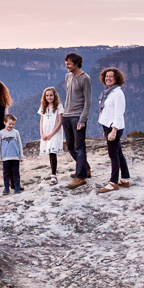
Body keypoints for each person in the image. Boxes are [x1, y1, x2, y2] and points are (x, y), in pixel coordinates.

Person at [97, 67, 131, 193]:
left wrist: (113, 130)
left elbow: (119, 114)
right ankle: (125, 179)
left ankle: (113, 182)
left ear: (117, 78)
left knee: (113, 155)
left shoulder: (118, 94)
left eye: (111, 76)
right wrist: (105, 129)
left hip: (114, 126)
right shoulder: (108, 92)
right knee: (118, 152)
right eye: (106, 76)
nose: (108, 78)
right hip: (108, 126)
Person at [62, 52, 93, 189]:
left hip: (77, 117)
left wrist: (82, 119)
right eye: (66, 63)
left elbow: (88, 101)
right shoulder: (68, 77)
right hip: (67, 116)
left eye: (69, 63)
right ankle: (85, 168)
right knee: (70, 146)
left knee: (79, 147)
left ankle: (80, 177)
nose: (66, 65)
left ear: (76, 63)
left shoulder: (85, 78)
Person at [38, 86, 65, 185]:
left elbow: (60, 122)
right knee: (49, 152)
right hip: (45, 132)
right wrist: (41, 133)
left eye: (51, 95)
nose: (49, 97)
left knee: (53, 152)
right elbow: (41, 120)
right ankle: (52, 171)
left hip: (55, 132)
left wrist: (51, 134)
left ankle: (54, 175)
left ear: (55, 95)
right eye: (47, 96)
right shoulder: (43, 107)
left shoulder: (59, 106)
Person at [0, 114, 24, 194]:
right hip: (5, 157)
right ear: (5, 122)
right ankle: (6, 188)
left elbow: (19, 144)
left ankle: (17, 187)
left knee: (16, 173)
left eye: (13, 124)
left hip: (15, 157)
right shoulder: (1, 133)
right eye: (10, 124)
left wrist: (21, 156)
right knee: (6, 173)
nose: (11, 126)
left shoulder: (16, 132)